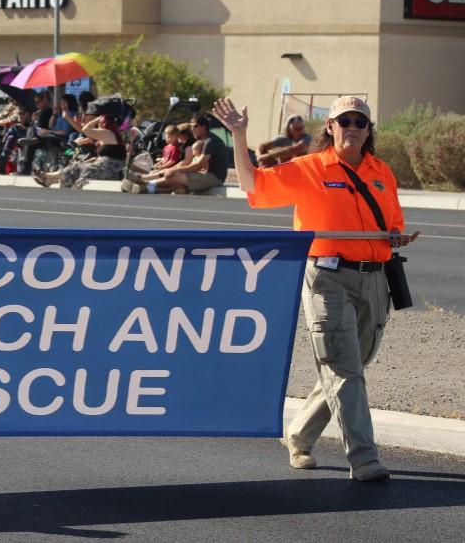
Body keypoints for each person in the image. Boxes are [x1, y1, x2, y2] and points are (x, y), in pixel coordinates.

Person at [212, 95, 420, 482]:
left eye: (360, 122)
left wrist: (396, 237)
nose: (352, 128)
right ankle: (364, 458)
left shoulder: (382, 172)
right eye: (345, 121)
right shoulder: (310, 167)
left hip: (375, 277)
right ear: (330, 127)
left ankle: (299, 433)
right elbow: (251, 184)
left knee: (353, 366)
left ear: (368, 129)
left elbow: (390, 226)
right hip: (326, 277)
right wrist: (238, 137)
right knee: (343, 367)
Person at [123, 115, 228, 195]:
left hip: (215, 177)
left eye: (195, 127)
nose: (192, 130)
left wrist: (174, 170)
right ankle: (146, 188)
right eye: (191, 127)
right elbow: (189, 162)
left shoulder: (210, 141)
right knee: (178, 186)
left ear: (203, 127)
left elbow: (199, 165)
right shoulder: (203, 140)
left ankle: (145, 182)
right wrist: (174, 168)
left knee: (178, 176)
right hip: (204, 174)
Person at [34, 113, 126, 189]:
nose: (99, 125)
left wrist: (96, 119)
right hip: (104, 166)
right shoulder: (109, 136)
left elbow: (85, 129)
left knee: (80, 168)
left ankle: (47, 177)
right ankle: (49, 179)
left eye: (101, 123)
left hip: (110, 169)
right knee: (77, 165)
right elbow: (101, 157)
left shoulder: (108, 133)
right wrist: (86, 161)